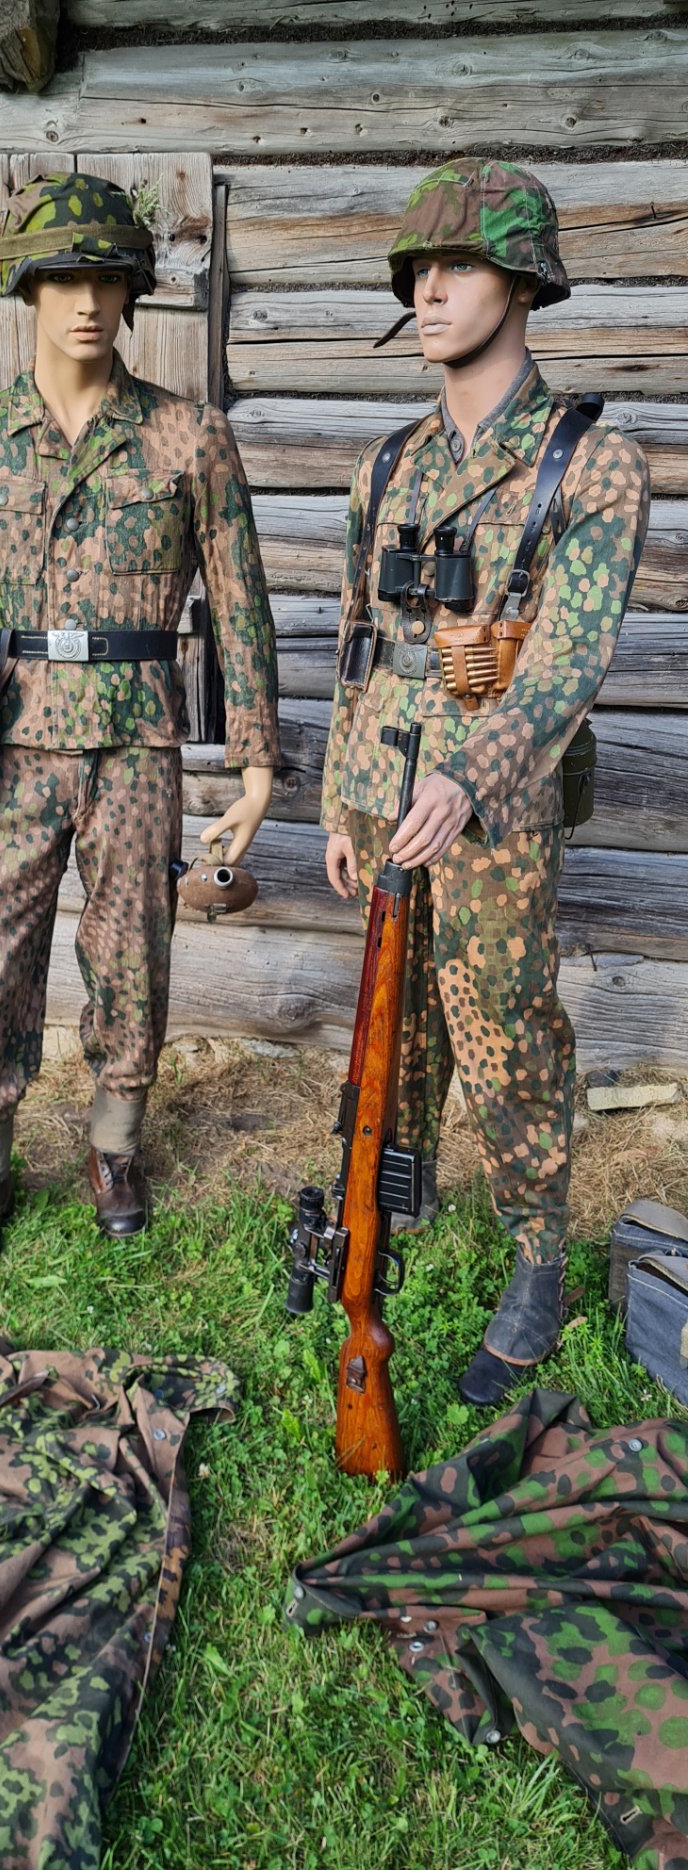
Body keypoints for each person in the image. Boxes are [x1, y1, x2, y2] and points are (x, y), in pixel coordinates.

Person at [0, 172, 280, 1269]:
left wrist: (255, 763)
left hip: (134, 745)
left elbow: (239, 606)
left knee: (132, 964)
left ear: (131, 293)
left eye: (107, 279)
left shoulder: (188, 438)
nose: (87, 301)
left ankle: (115, 1148)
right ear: (27, 287)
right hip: (1, 749)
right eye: (65, 278)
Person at [322, 158, 649, 1407]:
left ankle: (536, 1258)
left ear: (520, 284)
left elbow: (566, 665)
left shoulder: (590, 465)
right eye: (417, 268)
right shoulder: (385, 466)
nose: (428, 289)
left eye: (456, 265)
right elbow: (358, 644)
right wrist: (342, 797)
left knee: (505, 1030)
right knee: (393, 1032)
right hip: (386, 790)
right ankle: (385, 1213)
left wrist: (465, 775)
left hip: (495, 807)